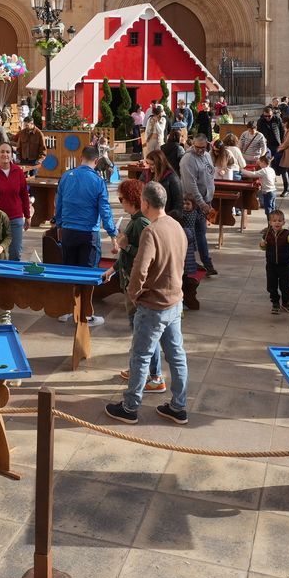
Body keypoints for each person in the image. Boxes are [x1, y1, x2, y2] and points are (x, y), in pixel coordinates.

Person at [105, 180, 190, 426]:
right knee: (176, 355)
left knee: (140, 356)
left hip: (153, 305)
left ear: (145, 203)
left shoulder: (151, 231)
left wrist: (134, 295)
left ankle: (130, 407)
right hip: (174, 301)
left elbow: (139, 270)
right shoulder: (175, 225)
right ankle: (178, 406)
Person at [112, 178, 166, 393]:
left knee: (143, 334)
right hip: (129, 281)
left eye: (121, 198)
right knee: (139, 334)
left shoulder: (142, 222)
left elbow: (145, 257)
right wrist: (114, 267)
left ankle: (155, 376)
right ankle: (137, 369)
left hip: (137, 287)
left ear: (132, 200)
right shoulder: (135, 219)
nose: (120, 202)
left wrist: (126, 246)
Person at [54, 144, 119, 269]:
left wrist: (59, 224)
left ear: (81, 158)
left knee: (69, 273)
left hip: (68, 232)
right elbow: (105, 210)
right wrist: (112, 234)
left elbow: (59, 205)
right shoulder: (98, 181)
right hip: (89, 234)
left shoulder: (66, 176)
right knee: (88, 275)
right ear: (96, 161)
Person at [177, 133, 217, 276]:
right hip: (193, 203)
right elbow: (191, 185)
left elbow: (210, 174)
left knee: (200, 233)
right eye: (197, 147)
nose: (200, 150)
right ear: (193, 144)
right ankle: (192, 263)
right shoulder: (188, 160)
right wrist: (201, 203)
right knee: (191, 234)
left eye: (203, 147)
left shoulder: (206, 155)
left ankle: (206, 263)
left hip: (206, 199)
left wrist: (209, 198)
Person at [0, 144, 29, 257]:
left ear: (12, 155)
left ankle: (13, 275)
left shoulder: (18, 171)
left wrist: (27, 216)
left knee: (15, 252)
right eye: (2, 152)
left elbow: (24, 195)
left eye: (8, 152)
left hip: (15, 218)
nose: (5, 154)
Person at [262, 209, 289, 314]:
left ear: (284, 222)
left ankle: (285, 302)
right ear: (270, 222)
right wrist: (262, 245)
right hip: (271, 265)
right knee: (271, 286)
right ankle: (275, 303)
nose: (277, 222)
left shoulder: (287, 234)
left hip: (284, 265)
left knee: (285, 286)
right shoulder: (267, 234)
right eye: (274, 220)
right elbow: (264, 248)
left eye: (280, 220)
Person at [250, 156, 278, 221]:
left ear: (263, 162)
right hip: (273, 191)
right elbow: (274, 179)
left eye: (260, 163)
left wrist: (242, 170)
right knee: (272, 209)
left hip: (268, 192)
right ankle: (272, 225)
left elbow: (253, 174)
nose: (259, 164)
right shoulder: (271, 169)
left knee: (268, 210)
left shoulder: (264, 170)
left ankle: (270, 225)